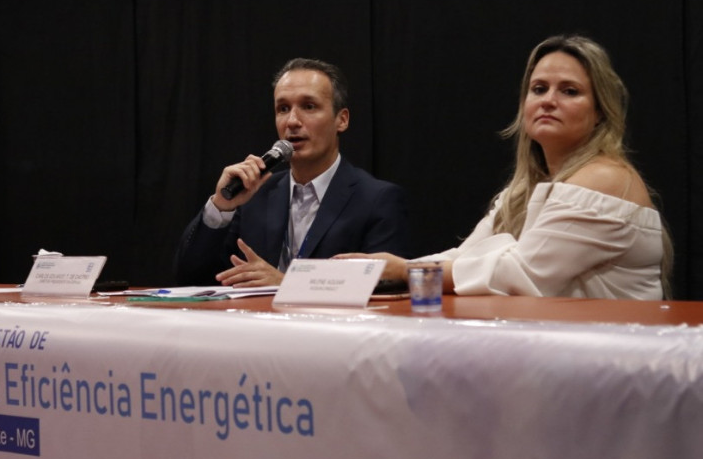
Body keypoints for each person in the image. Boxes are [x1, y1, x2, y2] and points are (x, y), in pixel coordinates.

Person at [340, 34, 671, 300]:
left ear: (600, 112)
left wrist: (404, 271)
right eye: (538, 89)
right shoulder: (522, 191)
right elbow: (466, 257)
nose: (548, 100)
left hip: (614, 357)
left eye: (569, 91)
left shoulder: (605, 177)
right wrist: (382, 268)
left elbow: (520, 274)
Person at [174, 57, 410, 287]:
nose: (292, 121)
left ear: (342, 120)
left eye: (309, 106)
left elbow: (385, 289)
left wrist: (286, 283)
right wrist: (221, 207)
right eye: (283, 108)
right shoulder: (253, 195)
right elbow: (190, 278)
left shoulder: (377, 199)